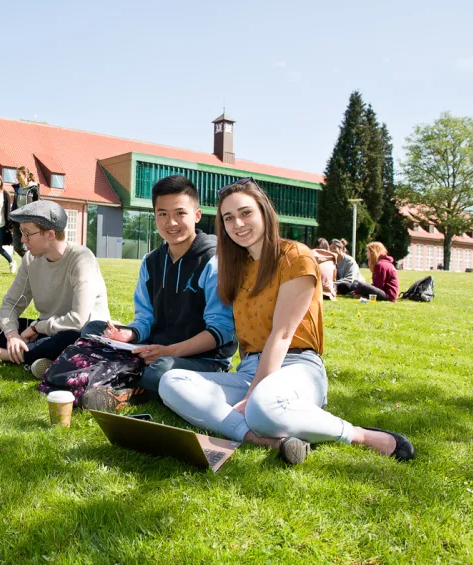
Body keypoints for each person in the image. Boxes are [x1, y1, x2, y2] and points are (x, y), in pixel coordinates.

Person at [159, 178, 415, 465]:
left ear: (264, 212)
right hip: (249, 369)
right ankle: (260, 438)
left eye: (246, 213)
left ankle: (360, 435)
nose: (238, 224)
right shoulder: (237, 270)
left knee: (262, 406)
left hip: (298, 367)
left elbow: (282, 335)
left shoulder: (295, 256)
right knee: (171, 381)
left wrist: (254, 393)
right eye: (228, 218)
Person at [79, 175, 237, 411]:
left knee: (160, 369)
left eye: (180, 213)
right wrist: (129, 335)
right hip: (155, 349)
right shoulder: (151, 261)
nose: (171, 222)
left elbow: (221, 331)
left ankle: (127, 390)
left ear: (197, 215)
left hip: (202, 360)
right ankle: (119, 376)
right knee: (93, 329)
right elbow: (145, 319)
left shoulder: (214, 260)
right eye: (162, 214)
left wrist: (168, 352)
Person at [0, 200, 110, 376]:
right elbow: (10, 304)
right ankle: (41, 359)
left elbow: (78, 320)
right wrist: (12, 334)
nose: (22, 239)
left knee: (69, 340)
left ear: (50, 234)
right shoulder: (30, 259)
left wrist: (36, 328)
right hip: (45, 332)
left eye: (27, 233)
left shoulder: (81, 259)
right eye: (21, 232)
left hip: (82, 335)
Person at [11, 166, 40, 257]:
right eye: (16, 175)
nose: (17, 177)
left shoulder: (34, 188)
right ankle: (29, 262)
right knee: (17, 247)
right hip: (17, 221)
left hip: (28, 222)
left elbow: (37, 205)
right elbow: (15, 204)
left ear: (25, 175)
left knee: (27, 245)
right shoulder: (17, 188)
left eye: (19, 175)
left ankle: (30, 265)